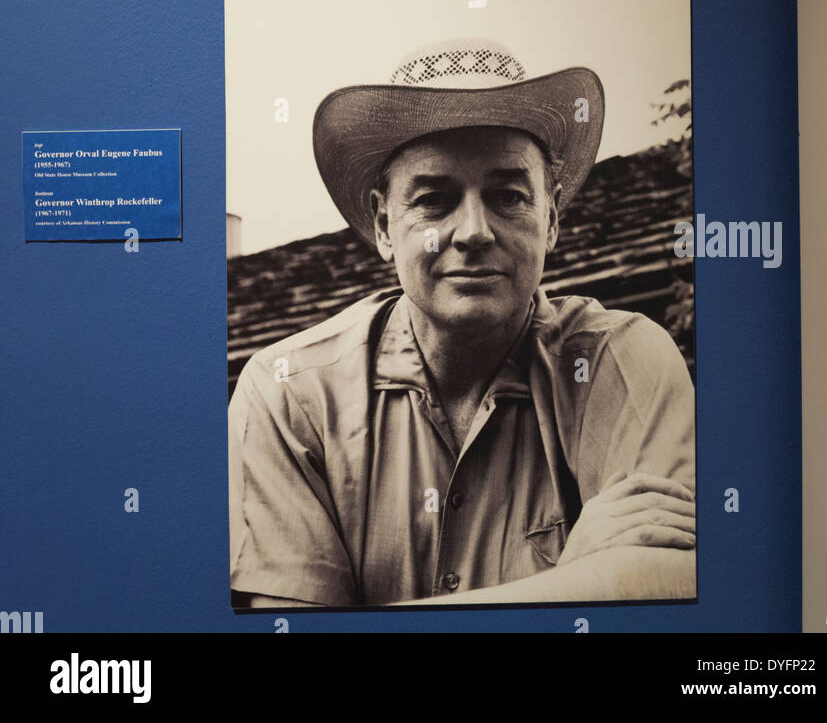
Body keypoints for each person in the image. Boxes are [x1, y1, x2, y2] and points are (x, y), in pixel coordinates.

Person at [229, 36, 696, 607]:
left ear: (551, 220)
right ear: (383, 224)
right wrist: (574, 584)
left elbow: (670, 591)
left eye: (508, 195)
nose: (474, 230)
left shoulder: (616, 361)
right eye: (434, 199)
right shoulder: (288, 394)